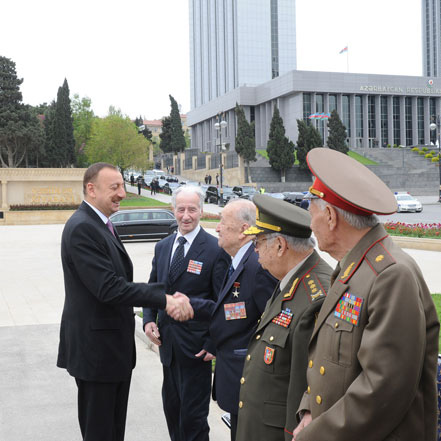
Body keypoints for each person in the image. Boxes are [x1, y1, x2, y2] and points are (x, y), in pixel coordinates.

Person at [293, 148, 439, 441]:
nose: (311, 224)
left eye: (312, 213)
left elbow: (383, 391)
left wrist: (315, 436)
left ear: (331, 217)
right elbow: (330, 363)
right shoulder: (355, 267)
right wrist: (309, 410)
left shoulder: (390, 276)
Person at [57, 162, 193, 441]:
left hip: (110, 353)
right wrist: (162, 299)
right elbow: (108, 288)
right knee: (101, 432)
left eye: (122, 186)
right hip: (97, 354)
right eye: (115, 187)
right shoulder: (83, 227)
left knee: (113, 431)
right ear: (91, 189)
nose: (122, 193)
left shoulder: (100, 224)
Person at [235, 194, 333, 441]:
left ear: (280, 245)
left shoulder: (316, 296)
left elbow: (311, 383)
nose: (254, 249)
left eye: (258, 242)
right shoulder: (290, 280)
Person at [143, 185, 230, 441]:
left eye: (192, 209)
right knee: (173, 412)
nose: (186, 215)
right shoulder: (163, 247)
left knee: (193, 419)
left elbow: (221, 302)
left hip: (197, 350)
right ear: (173, 210)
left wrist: (213, 342)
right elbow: (152, 289)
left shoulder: (215, 250)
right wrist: (148, 320)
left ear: (201, 210)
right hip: (167, 348)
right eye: (181, 209)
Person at [194, 199, 277, 441]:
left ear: (243, 230)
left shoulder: (257, 266)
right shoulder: (239, 261)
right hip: (236, 376)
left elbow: (272, 324)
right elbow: (236, 311)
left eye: (222, 222)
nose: (217, 228)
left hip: (249, 381)